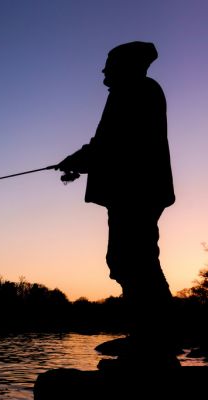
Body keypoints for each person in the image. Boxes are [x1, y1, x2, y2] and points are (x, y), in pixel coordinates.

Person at [57, 41, 178, 369]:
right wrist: (79, 160)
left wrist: (80, 159)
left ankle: (155, 338)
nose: (103, 70)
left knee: (134, 260)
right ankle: (150, 335)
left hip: (137, 191)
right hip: (136, 191)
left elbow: (116, 143)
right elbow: (109, 144)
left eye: (109, 64)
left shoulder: (136, 90)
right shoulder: (135, 90)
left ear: (126, 65)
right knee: (130, 260)